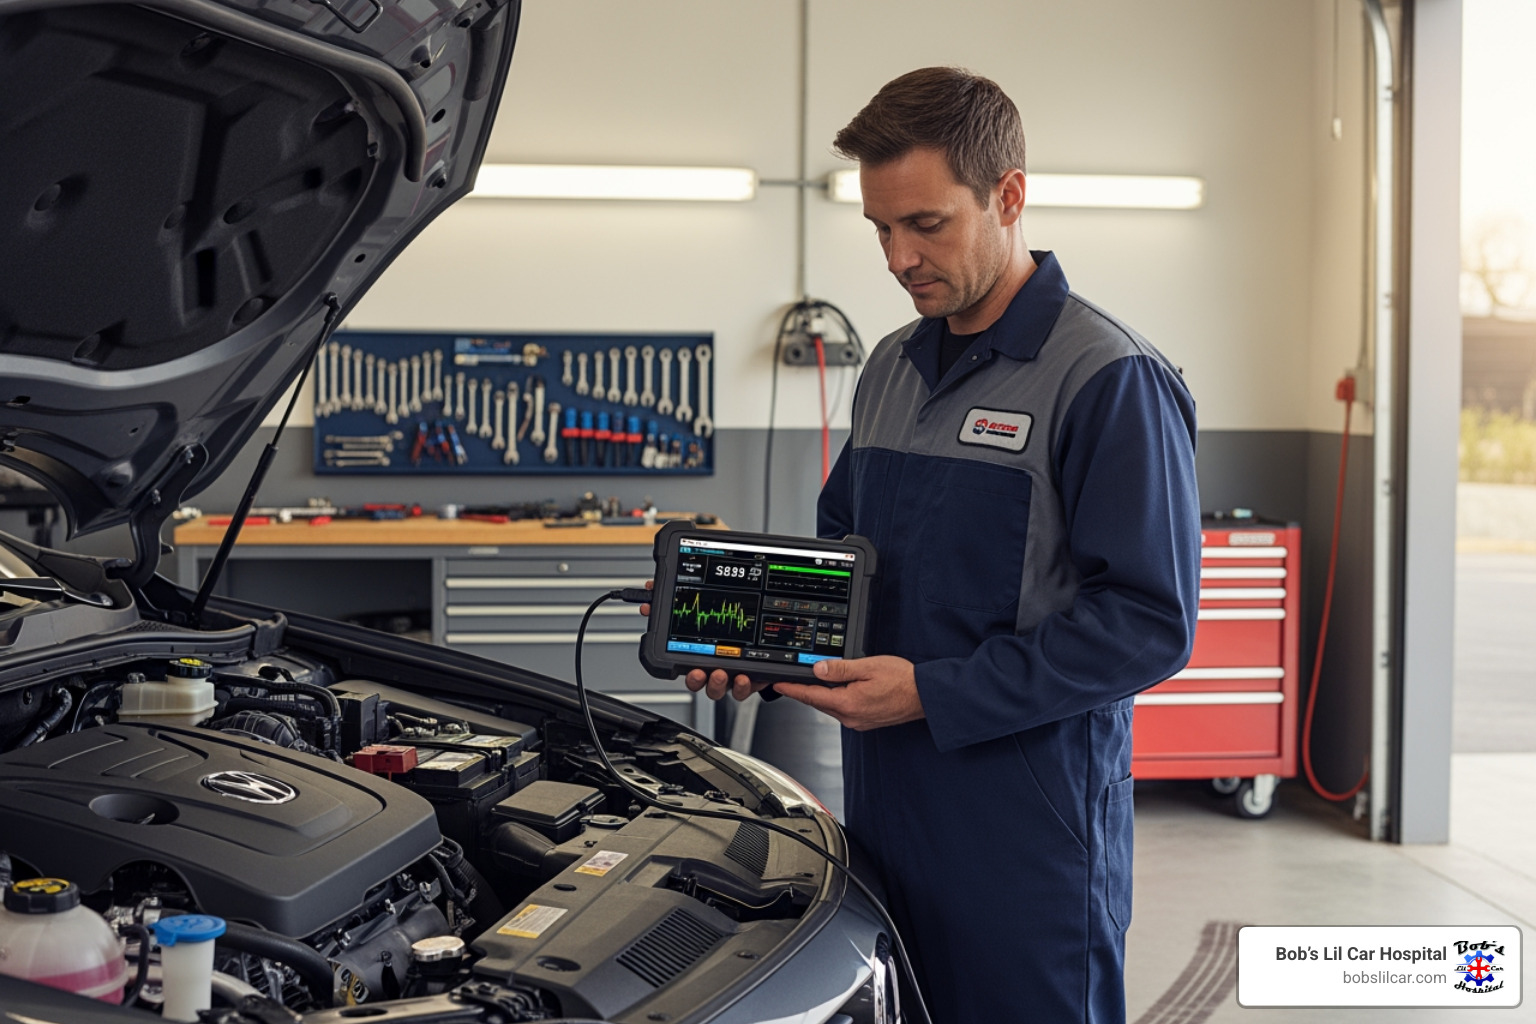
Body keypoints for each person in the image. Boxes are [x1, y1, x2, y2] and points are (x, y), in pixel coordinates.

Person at [679, 67, 1201, 1023]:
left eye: (926, 224)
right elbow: (849, 553)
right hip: (885, 812)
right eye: (880, 229)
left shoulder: (1109, 379)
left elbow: (1148, 624)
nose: (897, 257)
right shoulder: (892, 366)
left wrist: (932, 692)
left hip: (1028, 837)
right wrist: (756, 638)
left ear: (1008, 196)